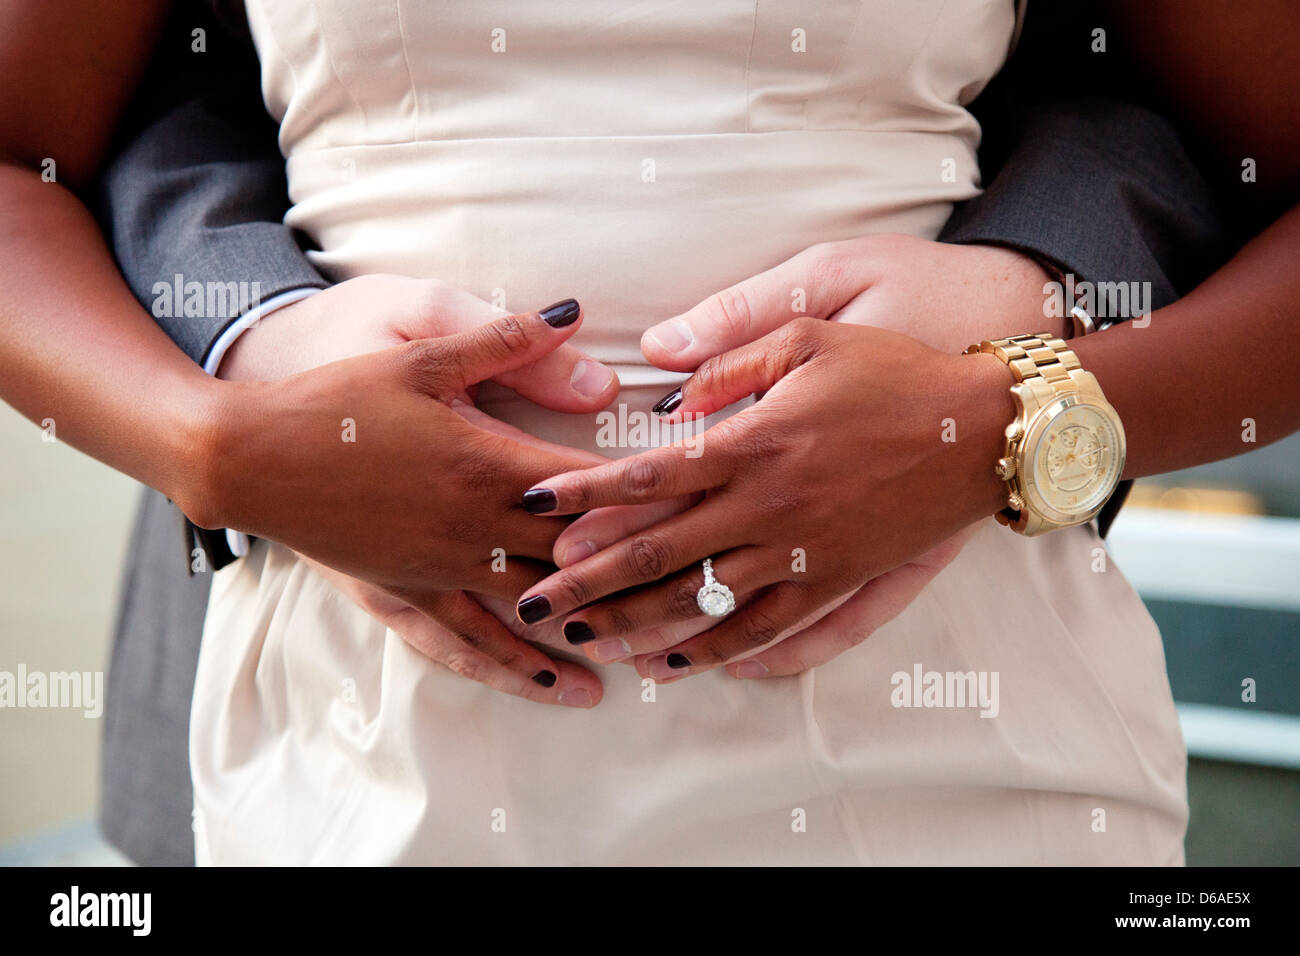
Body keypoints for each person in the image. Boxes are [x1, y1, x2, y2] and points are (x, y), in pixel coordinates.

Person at [0, 0, 1291, 863]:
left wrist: (1013, 414)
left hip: (942, 681)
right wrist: (216, 442)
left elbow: (1186, 110)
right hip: (363, 707)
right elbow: (52, 140)